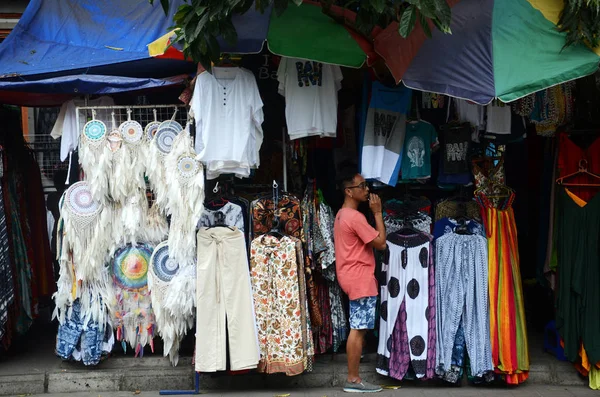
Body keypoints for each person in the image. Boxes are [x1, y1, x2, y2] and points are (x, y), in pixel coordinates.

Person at [334, 165, 386, 393]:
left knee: (358, 327)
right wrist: (377, 213)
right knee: (358, 328)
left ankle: (354, 377)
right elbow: (381, 243)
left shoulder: (341, 214)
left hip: (350, 275)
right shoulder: (354, 217)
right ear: (349, 191)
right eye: (362, 186)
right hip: (359, 276)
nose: (367, 190)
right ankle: (353, 380)